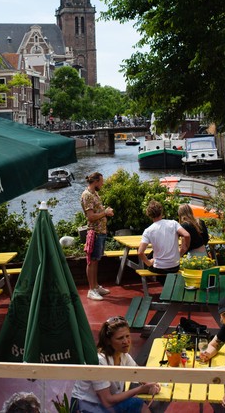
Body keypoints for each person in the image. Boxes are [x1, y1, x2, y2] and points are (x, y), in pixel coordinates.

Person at [71, 316, 160, 413]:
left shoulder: (123, 356)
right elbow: (107, 401)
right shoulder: (99, 361)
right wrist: (140, 389)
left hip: (101, 406)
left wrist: (151, 384)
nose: (126, 341)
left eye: (127, 336)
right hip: (85, 407)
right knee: (137, 404)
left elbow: (139, 374)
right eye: (120, 338)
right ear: (108, 341)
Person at [80, 172, 114, 301]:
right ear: (95, 182)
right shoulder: (87, 195)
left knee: (96, 260)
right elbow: (91, 217)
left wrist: (105, 212)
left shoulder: (94, 194)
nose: (102, 184)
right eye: (101, 181)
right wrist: (104, 212)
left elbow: (96, 212)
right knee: (91, 261)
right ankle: (91, 289)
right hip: (94, 232)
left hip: (101, 231)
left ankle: (95, 286)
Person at [137, 200, 190, 275]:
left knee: (150, 257)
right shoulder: (173, 223)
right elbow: (186, 235)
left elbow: (140, 252)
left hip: (159, 267)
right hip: (174, 266)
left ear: (149, 215)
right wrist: (184, 248)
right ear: (161, 212)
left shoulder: (148, 230)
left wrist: (149, 263)